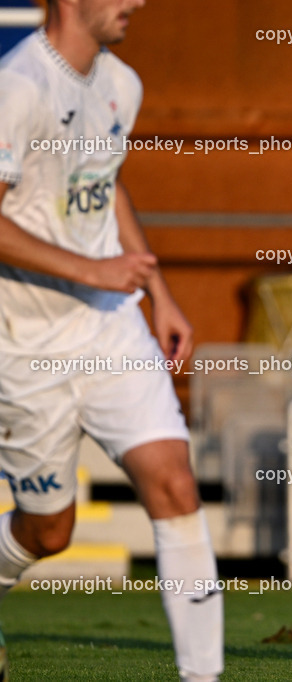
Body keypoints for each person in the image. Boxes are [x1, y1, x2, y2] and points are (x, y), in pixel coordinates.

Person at [0, 1, 223, 680]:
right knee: (48, 532)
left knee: (175, 484)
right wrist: (88, 267)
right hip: (25, 344)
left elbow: (106, 182)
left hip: (110, 323)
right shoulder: (18, 87)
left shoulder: (122, 82)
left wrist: (158, 293)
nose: (137, 2)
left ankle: (203, 675)